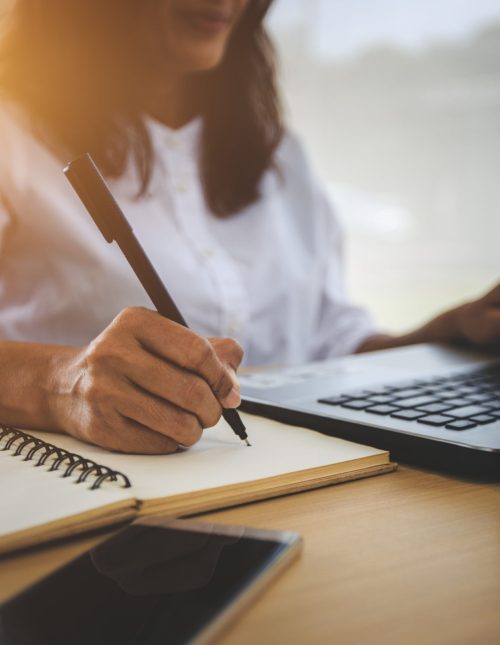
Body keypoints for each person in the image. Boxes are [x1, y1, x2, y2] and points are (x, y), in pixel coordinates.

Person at [0, 0, 498, 454]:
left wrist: (453, 331)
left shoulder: (279, 156)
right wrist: (59, 382)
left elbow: (325, 347)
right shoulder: (12, 139)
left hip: (304, 483)